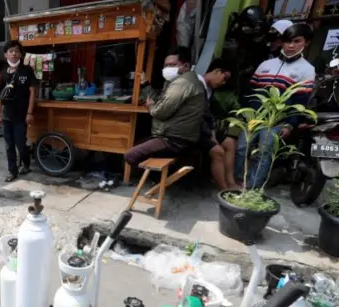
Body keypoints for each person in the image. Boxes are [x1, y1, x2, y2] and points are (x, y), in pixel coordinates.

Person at [235, 23, 315, 189]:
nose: (291, 45)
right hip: (254, 116)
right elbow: (250, 91)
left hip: (276, 121)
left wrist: (290, 124)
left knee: (263, 154)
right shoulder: (266, 65)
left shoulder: (307, 70)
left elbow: (301, 101)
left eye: (296, 41)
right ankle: (236, 182)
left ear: (306, 43)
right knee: (242, 148)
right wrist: (243, 113)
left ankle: (252, 189)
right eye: (287, 41)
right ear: (282, 42)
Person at [124, 47, 205, 168]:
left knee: (130, 155)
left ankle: (161, 178)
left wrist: (150, 107)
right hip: (177, 136)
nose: (168, 69)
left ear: (186, 66)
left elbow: (160, 112)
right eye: (166, 66)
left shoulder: (182, 84)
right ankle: (160, 175)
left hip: (174, 140)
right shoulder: (180, 81)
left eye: (172, 65)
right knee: (138, 142)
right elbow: (161, 102)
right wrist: (145, 84)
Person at [0, 40, 37, 182]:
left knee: (20, 143)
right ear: (5, 54)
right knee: (9, 145)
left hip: (21, 115)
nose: (14, 53)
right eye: (11, 51)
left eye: (17, 51)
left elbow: (32, 92)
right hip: (7, 115)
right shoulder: (3, 72)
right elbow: (1, 96)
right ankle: (12, 171)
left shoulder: (27, 70)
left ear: (20, 54)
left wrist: (29, 113)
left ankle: (26, 164)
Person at [196, 59, 238, 190]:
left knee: (230, 142)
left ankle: (230, 182)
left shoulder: (208, 89)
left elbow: (208, 116)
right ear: (217, 71)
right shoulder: (196, 84)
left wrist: (213, 133)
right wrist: (211, 136)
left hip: (204, 128)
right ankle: (224, 190)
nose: (223, 83)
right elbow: (198, 116)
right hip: (192, 129)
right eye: (224, 78)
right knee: (218, 151)